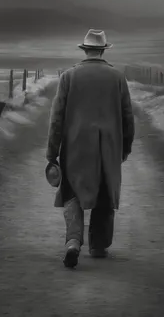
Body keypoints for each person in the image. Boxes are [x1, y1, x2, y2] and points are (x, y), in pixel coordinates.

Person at [46, 29, 135, 268]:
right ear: (104, 50)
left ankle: (74, 241)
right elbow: (128, 117)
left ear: (84, 50)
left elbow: (57, 118)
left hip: (75, 145)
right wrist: (124, 147)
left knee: (72, 191)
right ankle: (98, 245)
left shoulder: (68, 77)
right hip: (109, 146)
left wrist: (51, 151)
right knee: (105, 193)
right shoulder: (117, 77)